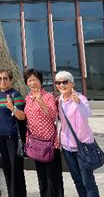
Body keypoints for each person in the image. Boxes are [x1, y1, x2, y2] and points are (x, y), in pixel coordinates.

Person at [20, 69, 64, 197]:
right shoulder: (28, 98)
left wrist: (41, 101)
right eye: (29, 80)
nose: (32, 83)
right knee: (41, 175)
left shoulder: (48, 96)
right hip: (36, 143)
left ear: (40, 81)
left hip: (50, 143)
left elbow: (53, 115)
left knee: (53, 175)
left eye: (35, 80)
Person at [56, 70, 100, 197]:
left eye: (65, 82)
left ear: (72, 84)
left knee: (88, 182)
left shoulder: (80, 98)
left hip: (83, 146)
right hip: (67, 146)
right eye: (58, 82)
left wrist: (78, 103)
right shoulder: (59, 101)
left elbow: (87, 113)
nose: (61, 85)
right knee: (77, 180)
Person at [0, 68, 27, 197]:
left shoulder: (15, 95)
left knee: (15, 170)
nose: (2, 81)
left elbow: (22, 116)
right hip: (1, 138)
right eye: (0, 79)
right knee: (7, 169)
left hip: (13, 138)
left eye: (5, 78)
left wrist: (13, 108)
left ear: (10, 80)